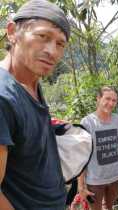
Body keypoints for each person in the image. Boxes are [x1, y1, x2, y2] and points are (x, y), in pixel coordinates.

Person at [0, 0, 70, 209]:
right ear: (12, 32)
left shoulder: (30, 81)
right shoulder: (3, 96)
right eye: (43, 37)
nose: (53, 51)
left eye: (60, 44)